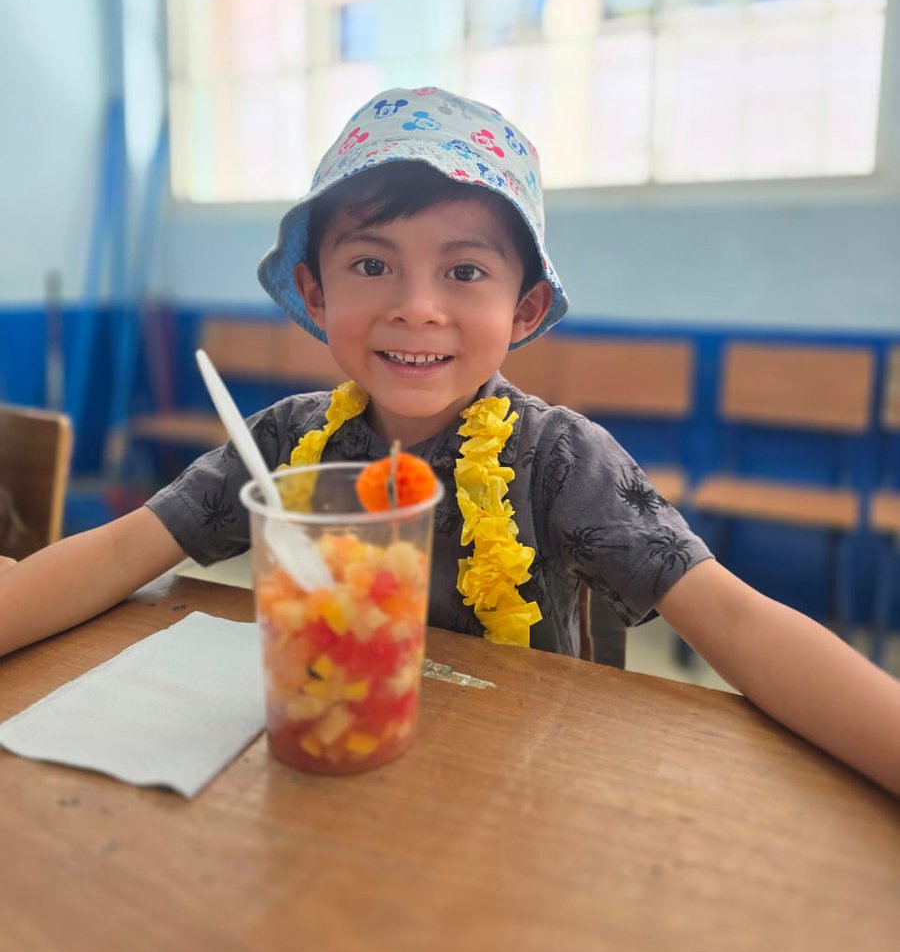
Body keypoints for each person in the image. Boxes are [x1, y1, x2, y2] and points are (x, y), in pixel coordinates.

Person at [1, 85, 898, 795]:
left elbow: (736, 621)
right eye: (371, 264)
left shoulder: (561, 463)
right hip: (330, 759)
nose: (415, 304)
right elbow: (124, 549)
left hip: (523, 789)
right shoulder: (286, 444)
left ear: (526, 307)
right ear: (316, 297)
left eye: (464, 271)